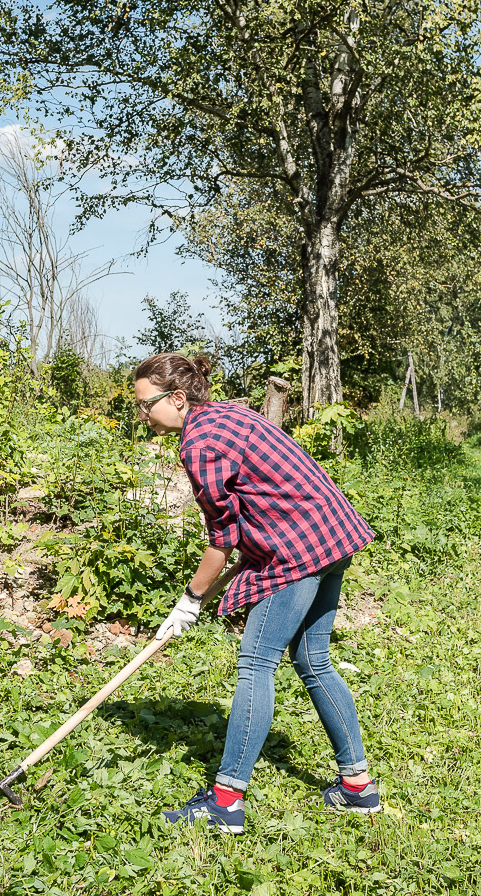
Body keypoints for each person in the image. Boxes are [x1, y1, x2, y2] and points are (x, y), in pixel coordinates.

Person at [133, 352, 378, 833]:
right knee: (314, 660)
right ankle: (357, 789)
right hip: (333, 535)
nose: (143, 415)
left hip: (299, 551)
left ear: (178, 398)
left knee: (256, 663)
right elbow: (258, 500)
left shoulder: (198, 443)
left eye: (147, 404)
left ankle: (225, 803)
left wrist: (191, 598)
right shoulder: (229, 413)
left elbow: (221, 538)